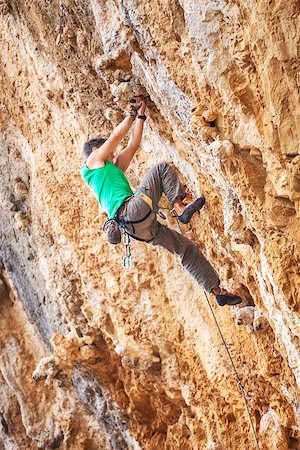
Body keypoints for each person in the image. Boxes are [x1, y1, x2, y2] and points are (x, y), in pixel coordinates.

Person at [80, 99, 242, 306]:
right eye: (106, 150)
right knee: (161, 169)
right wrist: (130, 114)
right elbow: (116, 136)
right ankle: (180, 207)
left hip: (136, 229)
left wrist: (141, 116)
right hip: (131, 210)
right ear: (96, 150)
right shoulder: (90, 165)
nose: (111, 153)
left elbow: (133, 144)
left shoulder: (112, 169)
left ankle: (216, 290)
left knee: (185, 249)